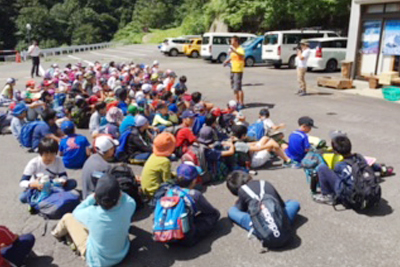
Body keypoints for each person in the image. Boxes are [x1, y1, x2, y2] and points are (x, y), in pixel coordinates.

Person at [52, 173, 136, 267]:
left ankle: (56, 233)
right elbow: (128, 199)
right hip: (121, 254)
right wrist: (116, 191)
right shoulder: (129, 205)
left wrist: (93, 197)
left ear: (96, 197)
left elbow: (76, 212)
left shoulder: (91, 213)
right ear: (119, 195)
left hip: (98, 261)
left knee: (67, 217)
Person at [226, 171, 300, 237]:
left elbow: (241, 210)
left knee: (232, 211)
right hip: (283, 225)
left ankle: (259, 226)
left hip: (263, 231)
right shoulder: (265, 183)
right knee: (293, 203)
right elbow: (282, 206)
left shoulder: (242, 191)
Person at [170, 163, 220, 246]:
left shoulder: (169, 191)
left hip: (167, 235)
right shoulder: (194, 194)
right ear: (194, 180)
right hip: (186, 239)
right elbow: (210, 210)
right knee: (215, 214)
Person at [19, 138, 77, 204]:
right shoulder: (34, 163)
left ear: (56, 153)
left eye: (52, 154)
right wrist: (33, 184)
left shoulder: (58, 160)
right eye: (46, 155)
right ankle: (53, 196)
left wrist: (62, 180)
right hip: (38, 187)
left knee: (72, 183)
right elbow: (22, 182)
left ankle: (46, 198)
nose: (49, 157)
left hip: (53, 185)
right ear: (40, 154)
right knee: (22, 197)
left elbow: (63, 175)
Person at [141, 132, 176, 199]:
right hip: (154, 191)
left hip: (147, 189)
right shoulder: (165, 161)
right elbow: (167, 180)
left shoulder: (153, 155)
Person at [223, 36, 245, 109]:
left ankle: (241, 103)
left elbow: (242, 56)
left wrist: (234, 51)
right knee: (234, 87)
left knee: (238, 87)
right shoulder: (234, 50)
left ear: (236, 41)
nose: (231, 42)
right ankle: (237, 101)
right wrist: (226, 61)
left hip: (238, 70)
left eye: (232, 41)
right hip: (233, 69)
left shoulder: (240, 49)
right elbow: (232, 57)